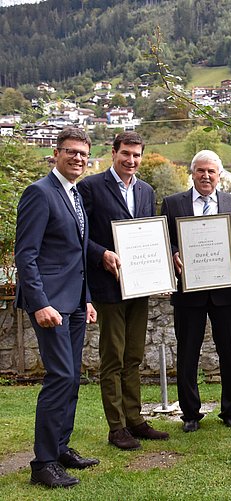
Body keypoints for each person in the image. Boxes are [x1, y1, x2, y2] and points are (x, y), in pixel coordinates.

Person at [15, 127, 99, 488]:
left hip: (76, 301)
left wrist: (88, 298)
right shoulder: (39, 193)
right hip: (50, 305)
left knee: (73, 377)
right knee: (60, 377)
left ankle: (62, 447)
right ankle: (43, 463)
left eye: (83, 153)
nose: (77, 158)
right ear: (56, 153)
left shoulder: (75, 195)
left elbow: (76, 255)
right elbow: (26, 256)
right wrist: (40, 304)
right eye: (71, 152)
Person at [77, 132, 169, 450]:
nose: (131, 160)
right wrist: (100, 253)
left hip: (139, 286)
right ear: (113, 152)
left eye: (137, 155)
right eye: (126, 154)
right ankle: (116, 427)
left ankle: (135, 419)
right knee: (112, 357)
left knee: (134, 356)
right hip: (108, 287)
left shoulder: (146, 190)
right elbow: (79, 235)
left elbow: (150, 237)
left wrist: (161, 276)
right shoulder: (90, 187)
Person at [161, 150, 231, 433]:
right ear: (192, 173)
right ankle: (190, 414)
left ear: (219, 175)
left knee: (229, 352)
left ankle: (230, 410)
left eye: (211, 171)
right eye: (201, 171)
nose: (206, 176)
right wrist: (174, 253)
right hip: (189, 291)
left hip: (225, 290)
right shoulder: (173, 204)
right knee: (187, 353)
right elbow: (166, 241)